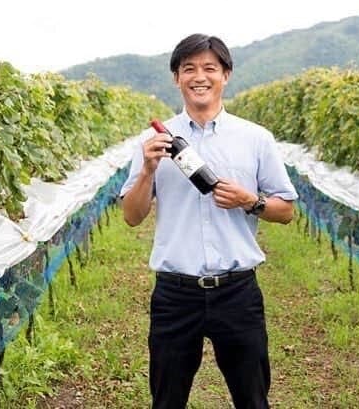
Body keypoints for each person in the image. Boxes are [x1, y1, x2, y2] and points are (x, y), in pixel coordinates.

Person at [120, 33, 298, 409]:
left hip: (237, 293)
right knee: (166, 401)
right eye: (189, 69)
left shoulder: (255, 139)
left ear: (225, 75)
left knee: (253, 400)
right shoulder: (153, 142)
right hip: (175, 295)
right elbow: (132, 217)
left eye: (209, 68)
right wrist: (147, 171)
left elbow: (286, 210)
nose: (199, 77)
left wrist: (250, 201)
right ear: (176, 78)